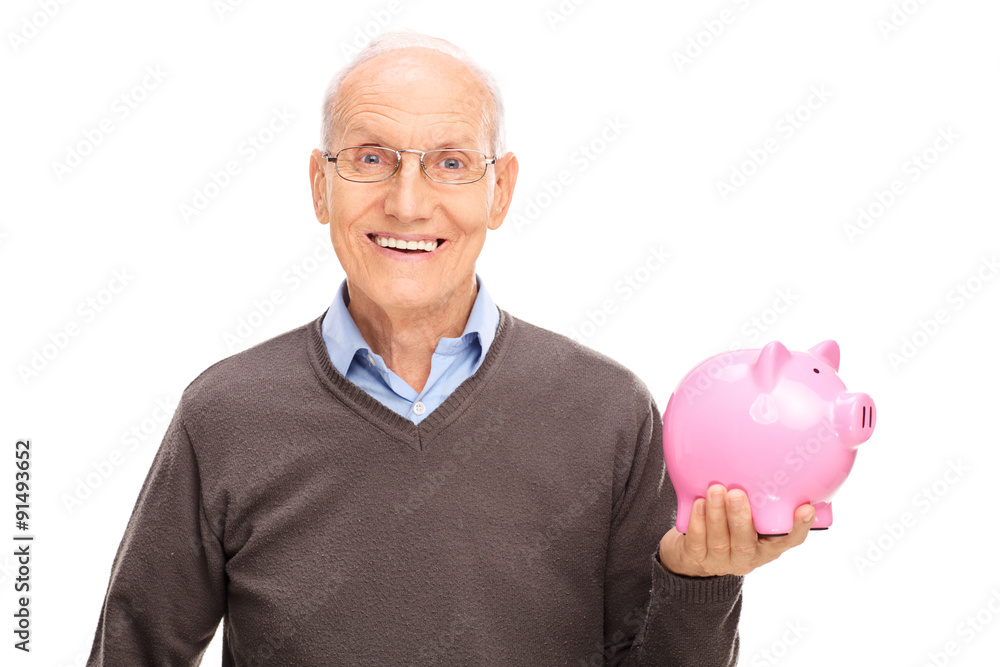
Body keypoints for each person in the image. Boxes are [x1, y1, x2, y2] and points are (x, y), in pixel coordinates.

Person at [86, 30, 816, 666]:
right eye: (371, 158)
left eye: (451, 163)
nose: (408, 202)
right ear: (320, 185)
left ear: (500, 191)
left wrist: (700, 582)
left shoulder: (609, 414)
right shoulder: (225, 415)